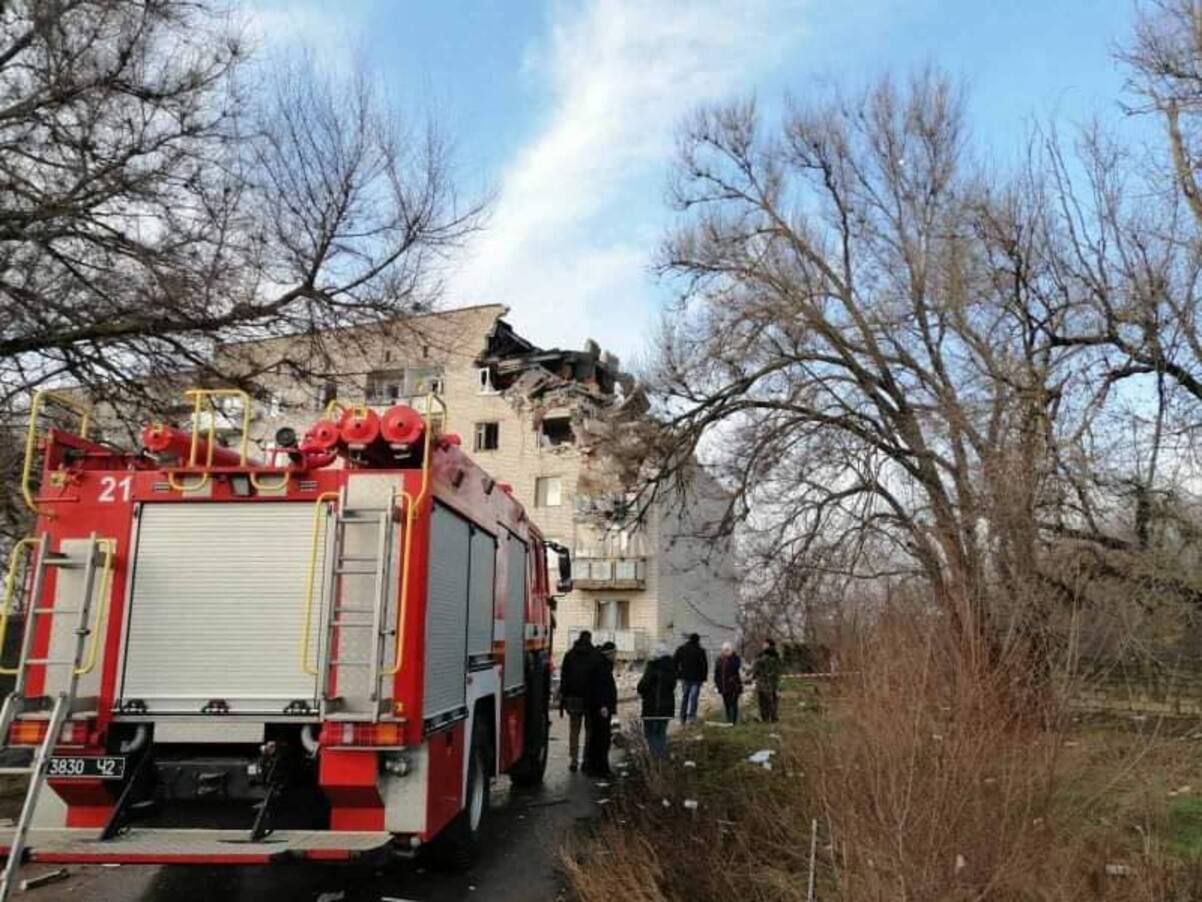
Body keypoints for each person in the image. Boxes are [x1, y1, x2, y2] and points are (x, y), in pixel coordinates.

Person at [558, 631, 599, 773]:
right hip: (590, 699)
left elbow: (564, 677)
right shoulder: (595, 656)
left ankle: (574, 760)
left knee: (574, 730)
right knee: (589, 730)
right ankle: (586, 759)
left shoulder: (570, 655)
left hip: (573, 698)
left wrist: (563, 697)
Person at [583, 641, 618, 777]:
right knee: (602, 739)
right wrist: (603, 705)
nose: (615, 656)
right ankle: (600, 768)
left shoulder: (601, 663)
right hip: (601, 708)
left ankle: (593, 766)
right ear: (609, 654)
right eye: (614, 653)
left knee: (598, 738)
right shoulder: (602, 666)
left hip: (599, 707)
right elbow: (600, 687)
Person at [637, 644, 677, 760]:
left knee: (651, 735)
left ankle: (656, 761)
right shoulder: (671, 669)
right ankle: (662, 760)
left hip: (652, 708)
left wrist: (641, 690)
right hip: (667, 709)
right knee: (661, 735)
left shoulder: (653, 667)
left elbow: (643, 686)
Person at [673, 632, 707, 724]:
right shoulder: (700, 651)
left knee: (685, 697)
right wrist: (704, 678)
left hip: (685, 677)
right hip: (696, 679)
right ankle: (692, 717)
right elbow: (704, 666)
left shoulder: (681, 649)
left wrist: (677, 674)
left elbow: (674, 662)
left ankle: (682, 717)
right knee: (694, 698)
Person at [752, 637, 783, 723]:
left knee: (765, 701)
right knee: (772, 700)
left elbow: (756, 668)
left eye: (765, 644)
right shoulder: (776, 656)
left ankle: (767, 717)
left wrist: (753, 675)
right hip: (772, 682)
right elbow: (779, 670)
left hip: (764, 682)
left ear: (768, 645)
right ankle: (771, 717)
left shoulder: (764, 656)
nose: (763, 645)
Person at [713, 641, 743, 724]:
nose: (725, 652)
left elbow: (736, 667)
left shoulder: (735, 659)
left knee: (733, 703)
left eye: (727, 650)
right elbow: (717, 672)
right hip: (723, 686)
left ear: (730, 650)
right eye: (723, 650)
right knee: (726, 703)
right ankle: (729, 719)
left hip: (734, 685)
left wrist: (730, 657)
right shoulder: (719, 660)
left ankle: (733, 721)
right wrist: (716, 682)